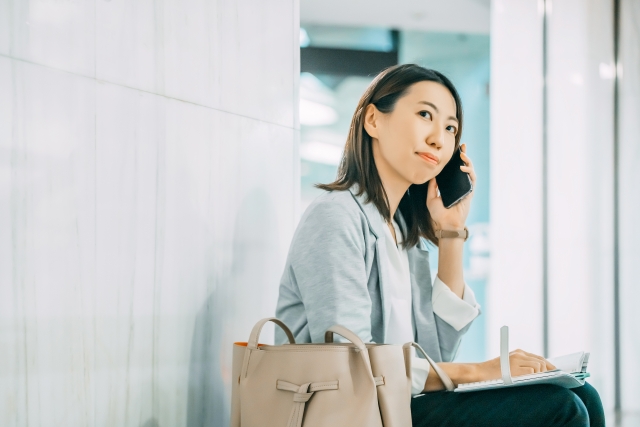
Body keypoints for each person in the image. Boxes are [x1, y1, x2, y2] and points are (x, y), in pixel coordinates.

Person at [275, 64, 604, 427]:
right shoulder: (335, 216)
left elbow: (436, 356)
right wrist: (483, 369)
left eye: (450, 127)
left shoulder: (400, 231)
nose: (438, 138)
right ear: (372, 120)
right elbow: (352, 364)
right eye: (424, 115)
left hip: (397, 405)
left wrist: (451, 233)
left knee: (582, 394)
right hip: (354, 411)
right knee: (561, 407)